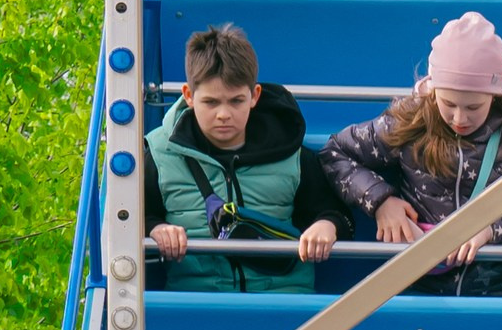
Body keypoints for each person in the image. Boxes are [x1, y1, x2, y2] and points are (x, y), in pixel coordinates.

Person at [323, 13, 502, 294]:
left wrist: (490, 230)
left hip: (499, 290)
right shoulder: (410, 122)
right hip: (419, 286)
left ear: (494, 96)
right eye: (448, 103)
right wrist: (381, 201)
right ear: (433, 89)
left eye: (473, 107)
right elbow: (334, 152)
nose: (460, 118)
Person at [142, 23, 353, 291]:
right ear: (189, 96)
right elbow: (130, 219)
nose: (223, 114)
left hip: (283, 295)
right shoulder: (159, 153)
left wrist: (327, 226)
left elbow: (336, 213)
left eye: (236, 101)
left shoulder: (291, 153)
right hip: (197, 297)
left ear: (254, 96)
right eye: (211, 102)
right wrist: (155, 228)